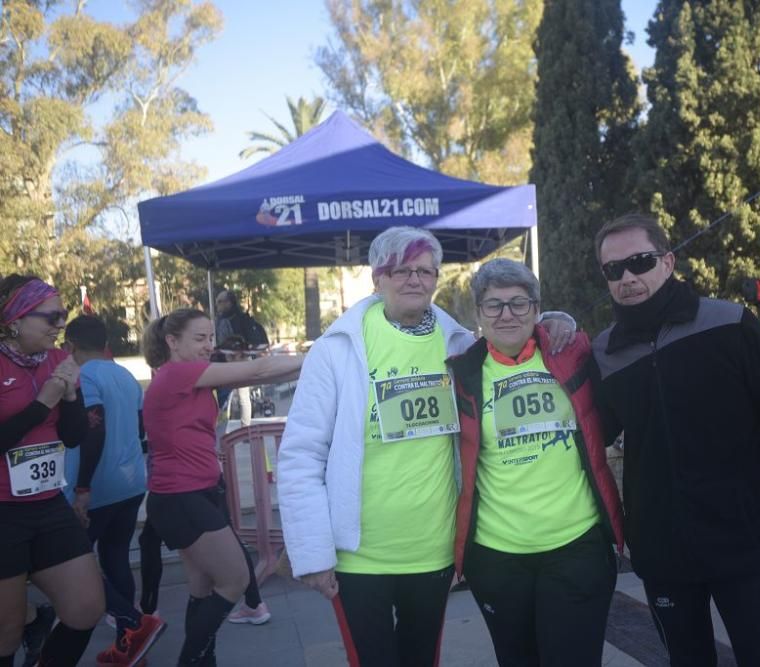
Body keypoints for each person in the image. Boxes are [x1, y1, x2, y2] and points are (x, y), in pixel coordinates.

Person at [277, 226, 575, 667]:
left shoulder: (459, 344)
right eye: (401, 270)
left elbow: (512, 326)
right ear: (377, 278)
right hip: (359, 558)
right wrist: (313, 554)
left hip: (433, 552)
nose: (414, 280)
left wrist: (555, 319)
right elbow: (301, 453)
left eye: (424, 270)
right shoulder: (339, 348)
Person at [590, 214, 760, 667]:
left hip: (744, 538)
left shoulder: (731, 323)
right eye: (613, 269)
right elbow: (590, 434)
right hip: (662, 550)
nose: (627, 277)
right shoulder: (605, 353)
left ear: (668, 261)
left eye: (639, 262)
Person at [446, 258, 624, 666]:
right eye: (494, 305)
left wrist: (563, 318)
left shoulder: (571, 350)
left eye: (518, 303)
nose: (507, 314)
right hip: (497, 557)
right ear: (479, 313)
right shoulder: (462, 373)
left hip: (576, 548)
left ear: (536, 308)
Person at [141, 308, 302, 665]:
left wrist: (311, 364)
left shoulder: (196, 379)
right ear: (172, 341)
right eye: (200, 338)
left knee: (201, 589)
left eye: (211, 337)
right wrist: (321, 354)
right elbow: (259, 369)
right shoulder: (176, 375)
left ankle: (203, 661)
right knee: (235, 579)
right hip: (179, 497)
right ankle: (190, 660)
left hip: (198, 492)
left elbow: (262, 375)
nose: (208, 345)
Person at [0, 274, 105, 667]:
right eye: (52, 317)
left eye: (63, 315)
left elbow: (73, 437)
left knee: (86, 608)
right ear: (15, 319)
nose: (61, 324)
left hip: (47, 504)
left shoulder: (59, 360)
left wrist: (72, 396)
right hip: (2, 511)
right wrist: (42, 404)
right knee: (6, 631)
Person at [62, 315, 166, 665]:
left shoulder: (84, 376)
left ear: (71, 345)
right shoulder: (123, 374)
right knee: (116, 556)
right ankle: (131, 642)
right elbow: (139, 426)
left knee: (72, 563)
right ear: (105, 342)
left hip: (97, 486)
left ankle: (134, 624)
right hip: (131, 481)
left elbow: (94, 430)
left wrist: (82, 487)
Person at [214, 290, 268, 429]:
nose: (217, 305)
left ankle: (239, 429)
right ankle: (243, 429)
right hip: (235, 360)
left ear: (229, 303)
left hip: (234, 361)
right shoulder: (236, 318)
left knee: (235, 397)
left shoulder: (231, 321)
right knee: (238, 397)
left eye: (220, 301)